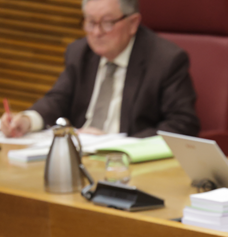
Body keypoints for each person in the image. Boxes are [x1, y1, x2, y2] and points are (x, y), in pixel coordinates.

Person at [0, 0, 199, 138]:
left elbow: (182, 124)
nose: (96, 32)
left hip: (127, 163)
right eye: (90, 22)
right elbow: (58, 99)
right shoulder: (80, 52)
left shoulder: (166, 60)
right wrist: (27, 120)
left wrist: (120, 143)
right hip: (82, 154)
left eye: (107, 23)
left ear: (133, 23)